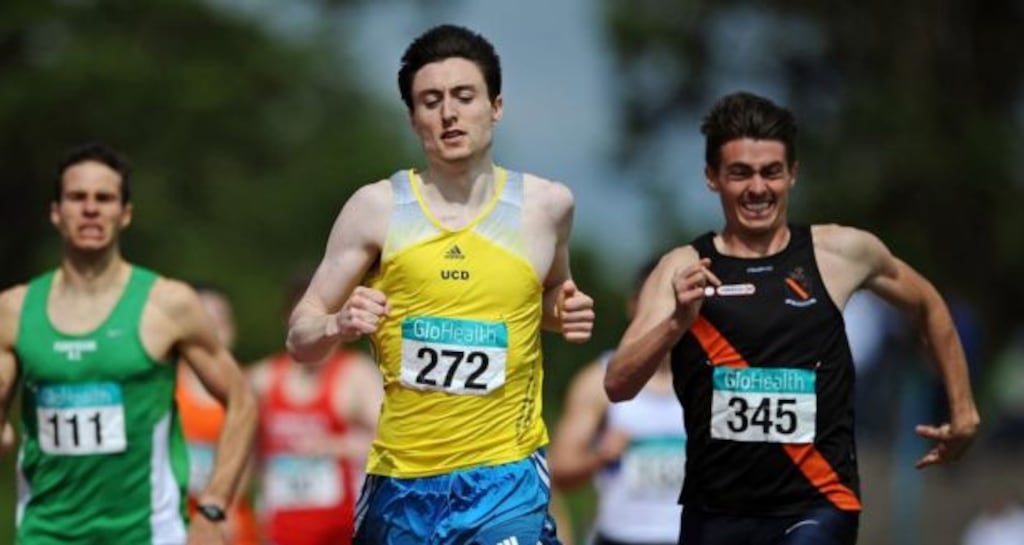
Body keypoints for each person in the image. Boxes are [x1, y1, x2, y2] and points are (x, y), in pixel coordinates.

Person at [603, 92, 979, 545]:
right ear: (711, 178)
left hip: (818, 503)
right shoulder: (681, 268)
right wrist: (674, 325)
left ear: (792, 174)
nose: (758, 188)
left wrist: (963, 409)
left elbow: (928, 305)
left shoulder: (840, 253)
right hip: (716, 512)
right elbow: (618, 384)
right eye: (740, 173)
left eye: (771, 172)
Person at [285, 24, 595, 545]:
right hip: (402, 483)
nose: (448, 113)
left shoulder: (547, 208)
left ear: (495, 106)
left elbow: (549, 299)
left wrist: (565, 313)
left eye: (463, 96)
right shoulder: (375, 209)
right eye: (430, 101)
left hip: (506, 477)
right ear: (413, 118)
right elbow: (299, 337)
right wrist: (338, 323)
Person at [0, 143, 258, 545]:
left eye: (104, 198)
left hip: (147, 533)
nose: (90, 209)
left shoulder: (168, 304)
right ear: (56, 212)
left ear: (125, 214)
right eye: (77, 197)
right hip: (45, 532)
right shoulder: (14, 311)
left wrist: (213, 507)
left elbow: (242, 401)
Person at [550, 258, 686, 545]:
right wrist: (600, 457)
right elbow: (559, 470)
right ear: (633, 305)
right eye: (654, 301)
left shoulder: (713, 378)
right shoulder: (596, 382)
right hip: (618, 538)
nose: (664, 311)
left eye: (673, 299)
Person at [249, 273, 382, 545]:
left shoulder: (356, 375)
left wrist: (338, 446)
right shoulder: (262, 378)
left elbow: (393, 442)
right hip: (278, 531)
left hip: (342, 531)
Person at [175, 286, 260, 545]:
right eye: (204, 322)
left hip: (228, 523)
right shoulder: (162, 385)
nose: (212, 331)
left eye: (220, 322)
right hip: (174, 521)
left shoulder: (251, 386)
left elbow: (256, 456)